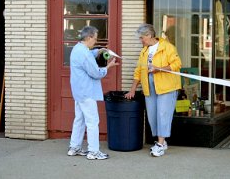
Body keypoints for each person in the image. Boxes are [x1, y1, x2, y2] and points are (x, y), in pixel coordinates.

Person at [125, 23, 182, 157]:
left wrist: (160, 69)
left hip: (166, 86)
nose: (140, 41)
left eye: (141, 38)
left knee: (163, 114)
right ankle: (161, 141)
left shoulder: (167, 47)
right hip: (149, 87)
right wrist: (132, 89)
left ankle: (161, 144)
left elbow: (177, 64)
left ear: (149, 35)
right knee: (152, 115)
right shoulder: (144, 51)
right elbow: (138, 70)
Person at [67, 26, 119, 160]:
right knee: (92, 121)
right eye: (95, 39)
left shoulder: (78, 49)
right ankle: (94, 152)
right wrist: (108, 67)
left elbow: (89, 55)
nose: (95, 41)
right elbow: (96, 73)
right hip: (87, 92)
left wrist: (99, 51)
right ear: (89, 37)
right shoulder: (84, 53)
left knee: (79, 119)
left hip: (79, 91)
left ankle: (74, 148)